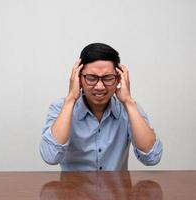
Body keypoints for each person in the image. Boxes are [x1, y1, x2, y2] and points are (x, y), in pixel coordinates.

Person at [39, 43, 162, 171]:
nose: (100, 86)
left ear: (119, 79)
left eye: (108, 78)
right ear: (79, 78)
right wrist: (71, 99)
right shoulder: (60, 108)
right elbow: (50, 156)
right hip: (72, 190)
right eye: (91, 78)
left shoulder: (129, 109)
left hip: (118, 190)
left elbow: (152, 158)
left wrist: (128, 103)